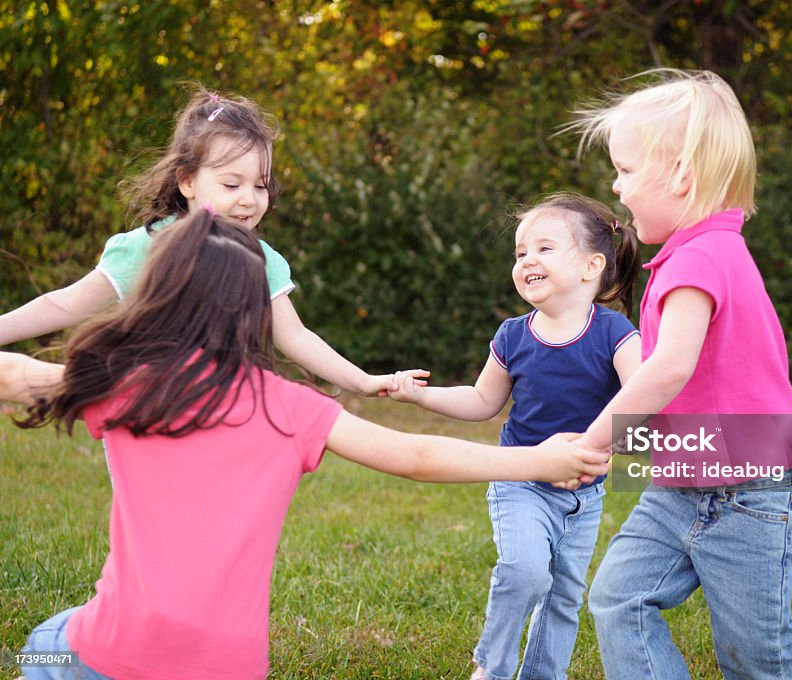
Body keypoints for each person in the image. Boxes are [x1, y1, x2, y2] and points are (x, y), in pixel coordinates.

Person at [0, 210, 610, 680]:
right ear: (254, 315)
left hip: (115, 650)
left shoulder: (124, 387)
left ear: (157, 294)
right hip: (231, 665)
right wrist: (542, 459)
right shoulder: (286, 406)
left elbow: (14, 376)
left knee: (37, 654)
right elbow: (418, 456)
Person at [568, 70, 792, 679]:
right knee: (618, 597)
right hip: (682, 486)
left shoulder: (702, 259)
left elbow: (669, 369)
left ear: (680, 175)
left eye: (624, 170)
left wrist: (594, 441)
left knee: (757, 657)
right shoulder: (691, 254)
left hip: (754, 495)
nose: (616, 187)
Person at [0, 85, 422, 396]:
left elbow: (295, 337)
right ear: (186, 180)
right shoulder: (147, 247)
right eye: (231, 183)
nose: (249, 199)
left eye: (260, 186)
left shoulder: (261, 260)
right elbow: (67, 304)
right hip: (144, 406)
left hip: (219, 406)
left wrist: (364, 381)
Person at [388, 193, 642, 680]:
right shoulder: (513, 335)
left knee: (565, 596)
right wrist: (420, 397)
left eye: (544, 248)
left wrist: (614, 441)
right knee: (524, 572)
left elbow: (641, 398)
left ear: (592, 266)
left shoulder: (616, 333)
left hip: (582, 495)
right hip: (519, 480)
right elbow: (483, 402)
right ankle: (494, 666)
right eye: (520, 252)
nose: (527, 260)